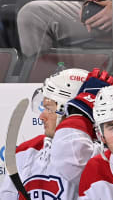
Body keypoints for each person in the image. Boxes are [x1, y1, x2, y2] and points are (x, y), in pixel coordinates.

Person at [0, 68, 89, 199]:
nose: (42, 116)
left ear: (69, 110)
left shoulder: (95, 156)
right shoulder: (27, 150)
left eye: (48, 108)